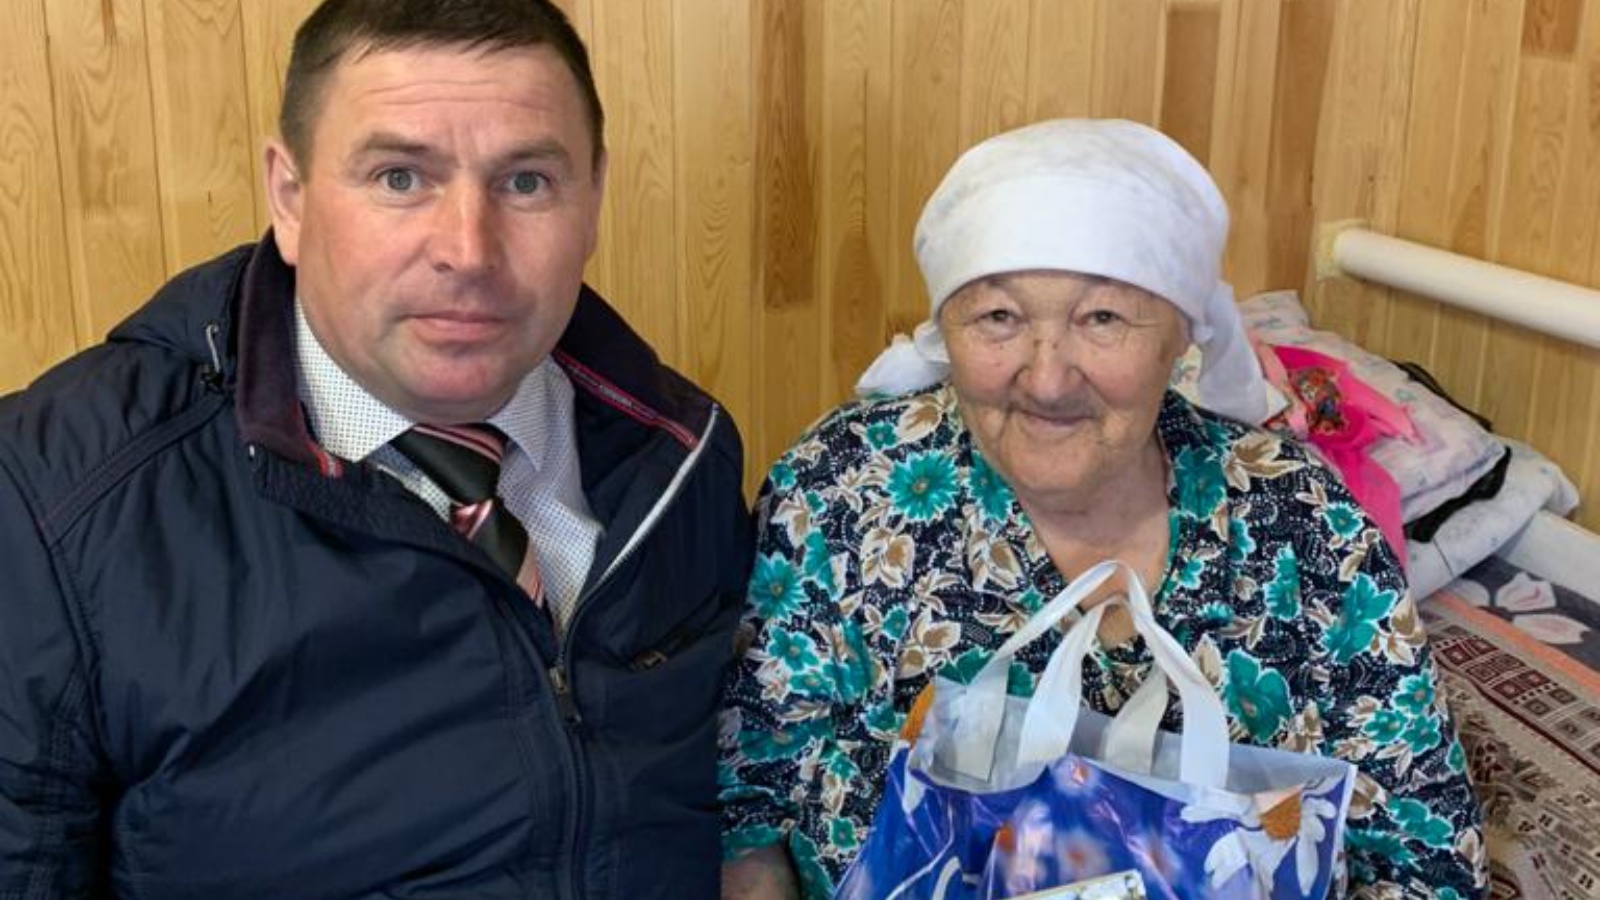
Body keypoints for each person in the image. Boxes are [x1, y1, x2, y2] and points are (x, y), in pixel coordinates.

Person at [0, 1, 751, 897]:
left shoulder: (683, 453)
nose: (468, 251)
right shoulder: (51, 504)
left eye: (526, 182)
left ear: (592, 198)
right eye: (400, 177)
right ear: (290, 197)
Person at [719, 119, 1487, 900]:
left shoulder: (1302, 520)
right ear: (945, 329)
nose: (1047, 380)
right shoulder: (839, 495)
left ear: (1179, 337)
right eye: (998, 318)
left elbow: (1427, 862)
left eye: (1103, 319)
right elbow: (745, 819)